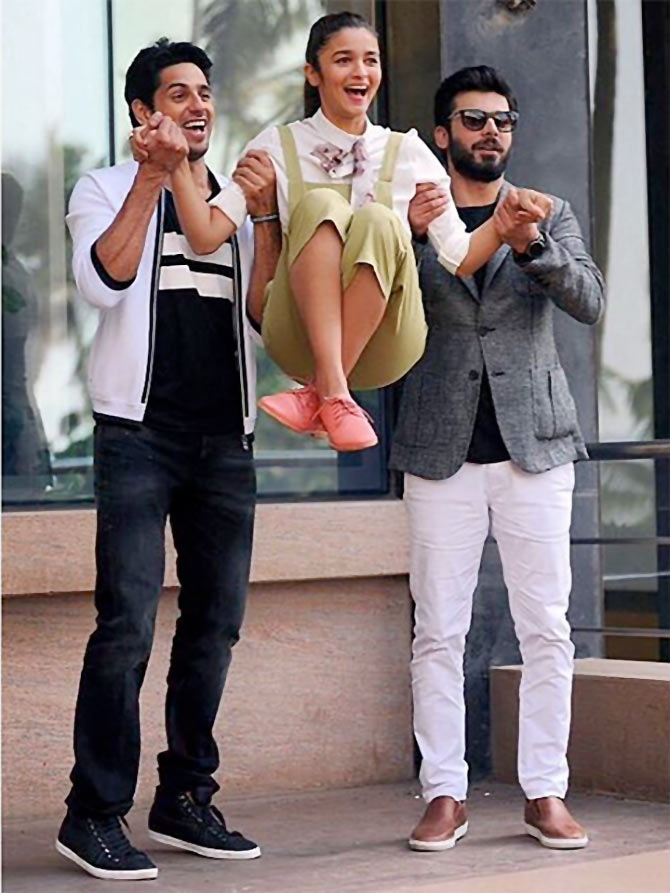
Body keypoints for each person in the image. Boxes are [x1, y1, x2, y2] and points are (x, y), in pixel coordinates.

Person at [56, 39, 281, 881]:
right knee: (125, 626)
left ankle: (184, 795)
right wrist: (152, 178)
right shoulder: (103, 187)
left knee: (215, 624)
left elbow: (262, 315)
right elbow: (101, 281)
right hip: (138, 435)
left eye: (204, 93)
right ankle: (93, 812)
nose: (197, 106)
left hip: (227, 438)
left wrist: (264, 218)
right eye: (177, 93)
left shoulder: (230, 199)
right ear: (142, 112)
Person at [149, 12, 550, 453]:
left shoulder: (408, 151)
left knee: (379, 221)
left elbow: (459, 256)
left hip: (387, 340)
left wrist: (503, 221)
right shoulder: (274, 147)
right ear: (313, 74)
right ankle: (334, 391)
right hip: (297, 333)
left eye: (371, 61)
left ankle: (322, 393)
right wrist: (176, 163)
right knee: (321, 204)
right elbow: (206, 237)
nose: (361, 73)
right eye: (344, 60)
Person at [391, 66, 605, 852]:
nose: (491, 132)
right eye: (473, 120)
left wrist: (535, 246)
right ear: (442, 133)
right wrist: (414, 235)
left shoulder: (547, 210)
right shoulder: (411, 213)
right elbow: (380, 307)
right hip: (439, 447)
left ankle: (545, 790)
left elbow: (589, 299)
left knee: (546, 627)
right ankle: (444, 790)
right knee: (438, 632)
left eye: (502, 120)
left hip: (536, 447)